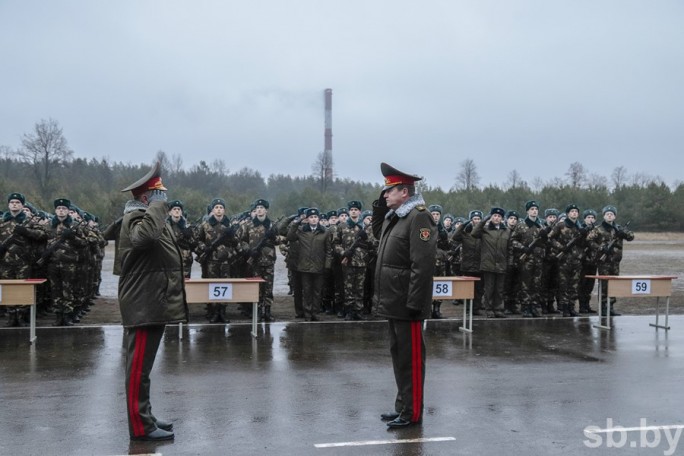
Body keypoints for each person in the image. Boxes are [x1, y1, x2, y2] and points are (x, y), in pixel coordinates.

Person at [118, 161, 189, 441]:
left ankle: (145, 417)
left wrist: (158, 210)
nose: (165, 199)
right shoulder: (136, 218)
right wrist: (158, 207)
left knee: (144, 369)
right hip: (143, 303)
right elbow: (144, 238)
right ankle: (140, 427)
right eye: (159, 195)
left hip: (151, 301)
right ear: (146, 197)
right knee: (138, 370)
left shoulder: (149, 216)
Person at [372, 162, 436, 429]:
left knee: (411, 361)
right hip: (393, 300)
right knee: (399, 357)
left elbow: (422, 266)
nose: (385, 195)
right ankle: (403, 406)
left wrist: (415, 302)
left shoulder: (418, 217)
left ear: (405, 193)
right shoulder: (396, 217)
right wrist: (379, 208)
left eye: (390, 190)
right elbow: (378, 234)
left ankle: (412, 413)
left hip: (407, 303)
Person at [587, 205, 635, 316]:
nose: (609, 215)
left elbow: (631, 237)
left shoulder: (618, 228)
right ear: (604, 216)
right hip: (604, 262)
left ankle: (611, 306)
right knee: (604, 284)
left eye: (611, 214)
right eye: (607, 214)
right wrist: (600, 248)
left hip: (615, 261)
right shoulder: (598, 229)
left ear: (615, 216)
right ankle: (604, 308)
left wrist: (623, 233)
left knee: (614, 284)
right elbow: (589, 240)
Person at [286, 208, 333, 321]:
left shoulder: (325, 232)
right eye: (311, 217)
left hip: (319, 266)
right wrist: (296, 223)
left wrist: (327, 265)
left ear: (319, 218)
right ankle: (307, 313)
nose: (313, 219)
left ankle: (315, 313)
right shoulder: (302, 231)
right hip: (304, 267)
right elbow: (290, 237)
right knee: (306, 291)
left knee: (317, 291)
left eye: (315, 217)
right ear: (307, 219)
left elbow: (328, 250)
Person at [472, 207, 510, 318]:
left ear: (502, 218)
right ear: (491, 217)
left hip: (501, 263)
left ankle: (498, 309)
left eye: (499, 216)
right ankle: (489, 309)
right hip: (488, 264)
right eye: (494, 216)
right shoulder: (485, 229)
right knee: (489, 288)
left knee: (499, 289)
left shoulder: (506, 231)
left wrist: (509, 262)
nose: (496, 218)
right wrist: (484, 220)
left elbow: (509, 248)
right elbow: (474, 233)